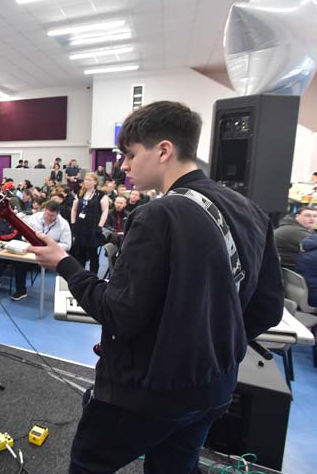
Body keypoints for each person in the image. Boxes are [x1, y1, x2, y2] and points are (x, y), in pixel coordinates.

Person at [29, 101, 284, 474]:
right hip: (216, 387)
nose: (124, 166)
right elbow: (268, 309)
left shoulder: (157, 215)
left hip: (150, 394)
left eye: (130, 154)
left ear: (164, 150)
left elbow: (118, 313)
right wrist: (210, 346)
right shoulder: (251, 210)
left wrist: (64, 264)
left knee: (88, 464)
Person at [11, 200, 71, 301]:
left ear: (58, 214)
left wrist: (51, 247)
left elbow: (67, 245)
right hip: (33, 249)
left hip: (52, 252)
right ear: (45, 210)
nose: (49, 217)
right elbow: (24, 235)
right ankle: (21, 291)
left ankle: (64, 294)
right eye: (47, 214)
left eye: (52, 216)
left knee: (66, 265)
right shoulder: (35, 218)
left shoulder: (63, 224)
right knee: (19, 262)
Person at [70, 173, 109, 274]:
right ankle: (80, 274)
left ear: (95, 182)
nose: (86, 182)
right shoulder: (80, 193)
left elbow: (105, 212)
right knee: (80, 253)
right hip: (80, 226)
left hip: (93, 227)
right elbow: (74, 209)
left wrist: (100, 226)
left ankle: (93, 275)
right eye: (86, 180)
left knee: (93, 254)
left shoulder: (101, 195)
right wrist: (73, 224)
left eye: (89, 180)